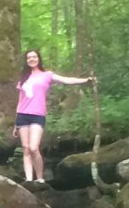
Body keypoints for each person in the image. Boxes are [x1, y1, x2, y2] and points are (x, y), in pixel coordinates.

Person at [14, 49, 96, 184]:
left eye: (34, 57)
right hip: (22, 115)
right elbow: (20, 100)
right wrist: (16, 121)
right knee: (26, 148)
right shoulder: (23, 78)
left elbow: (66, 80)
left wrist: (85, 80)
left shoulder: (47, 75)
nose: (32, 59)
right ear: (26, 61)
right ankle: (29, 179)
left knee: (34, 147)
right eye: (29, 58)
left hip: (38, 115)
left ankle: (40, 177)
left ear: (39, 59)